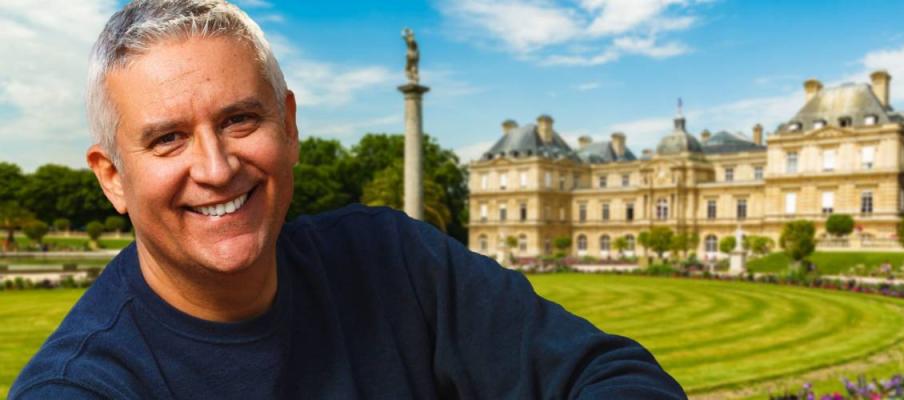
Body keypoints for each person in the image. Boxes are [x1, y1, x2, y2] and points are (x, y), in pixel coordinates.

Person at [10, 1, 686, 399]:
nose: (216, 168)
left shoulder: (392, 257)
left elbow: (612, 373)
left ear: (291, 126)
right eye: (167, 140)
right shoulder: (84, 387)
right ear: (111, 177)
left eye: (241, 119)